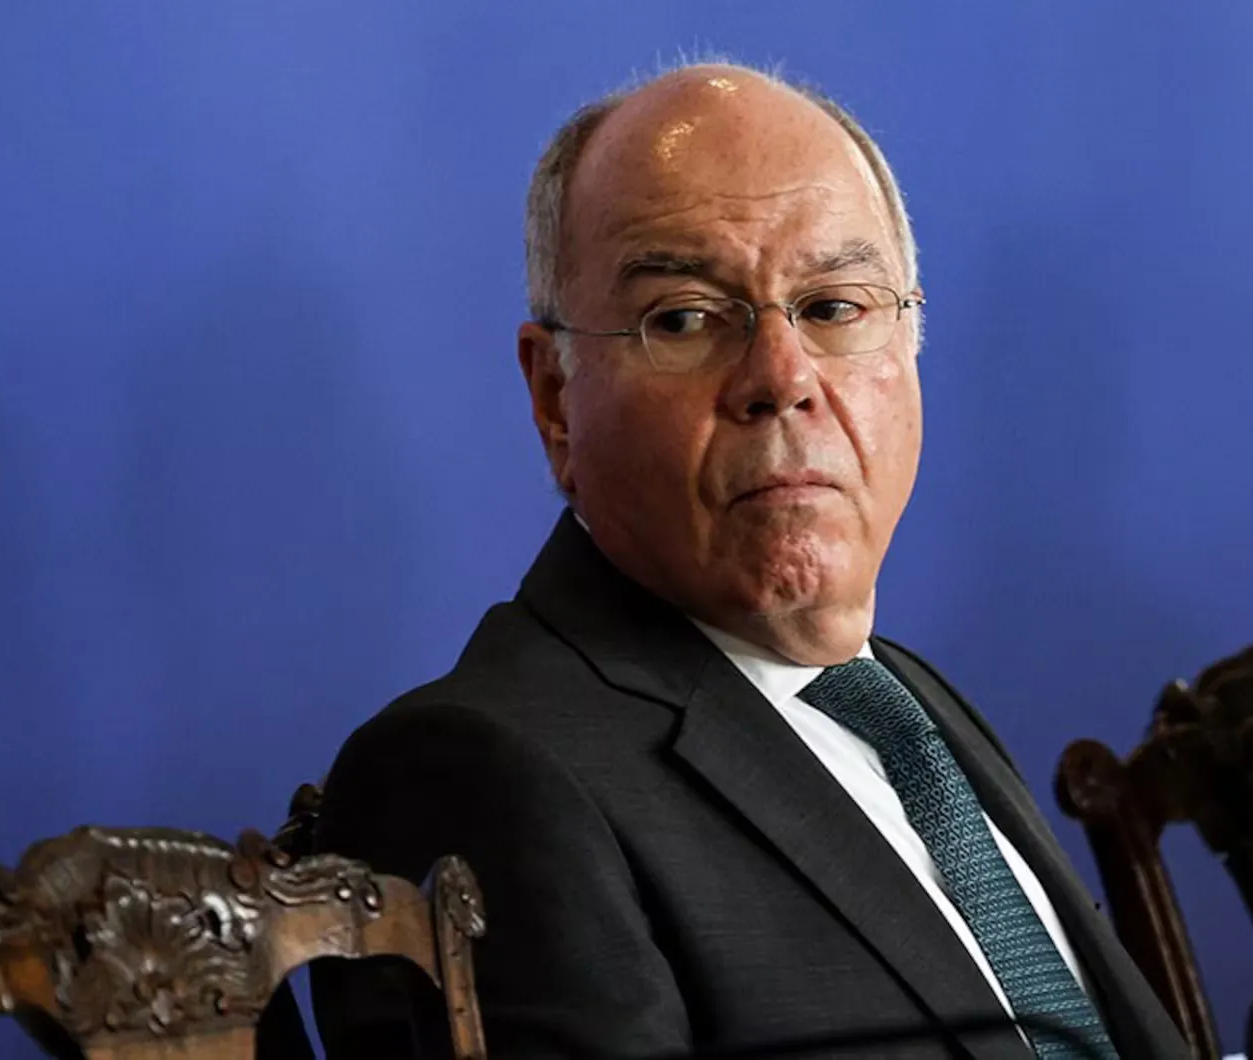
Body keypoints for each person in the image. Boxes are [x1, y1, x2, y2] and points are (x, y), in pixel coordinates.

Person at [308, 62, 1187, 1060]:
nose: (782, 378)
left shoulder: (897, 700)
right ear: (555, 399)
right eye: (684, 317)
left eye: (833, 307)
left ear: (909, 343)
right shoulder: (479, 771)